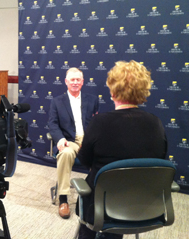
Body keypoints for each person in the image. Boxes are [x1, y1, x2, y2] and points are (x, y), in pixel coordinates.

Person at [76, 60, 168, 239]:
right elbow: (159, 160)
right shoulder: (156, 123)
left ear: (112, 91)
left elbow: (85, 161)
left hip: (101, 208)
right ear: (144, 90)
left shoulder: (99, 123)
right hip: (144, 206)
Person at [48, 67, 99, 219]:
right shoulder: (57, 102)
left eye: (78, 80)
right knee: (66, 153)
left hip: (89, 139)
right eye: (72, 80)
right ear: (66, 82)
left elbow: (96, 122)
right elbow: (52, 124)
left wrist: (91, 140)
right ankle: (63, 199)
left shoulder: (93, 100)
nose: (75, 82)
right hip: (70, 140)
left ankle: (97, 196)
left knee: (106, 151)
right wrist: (60, 139)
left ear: (82, 82)